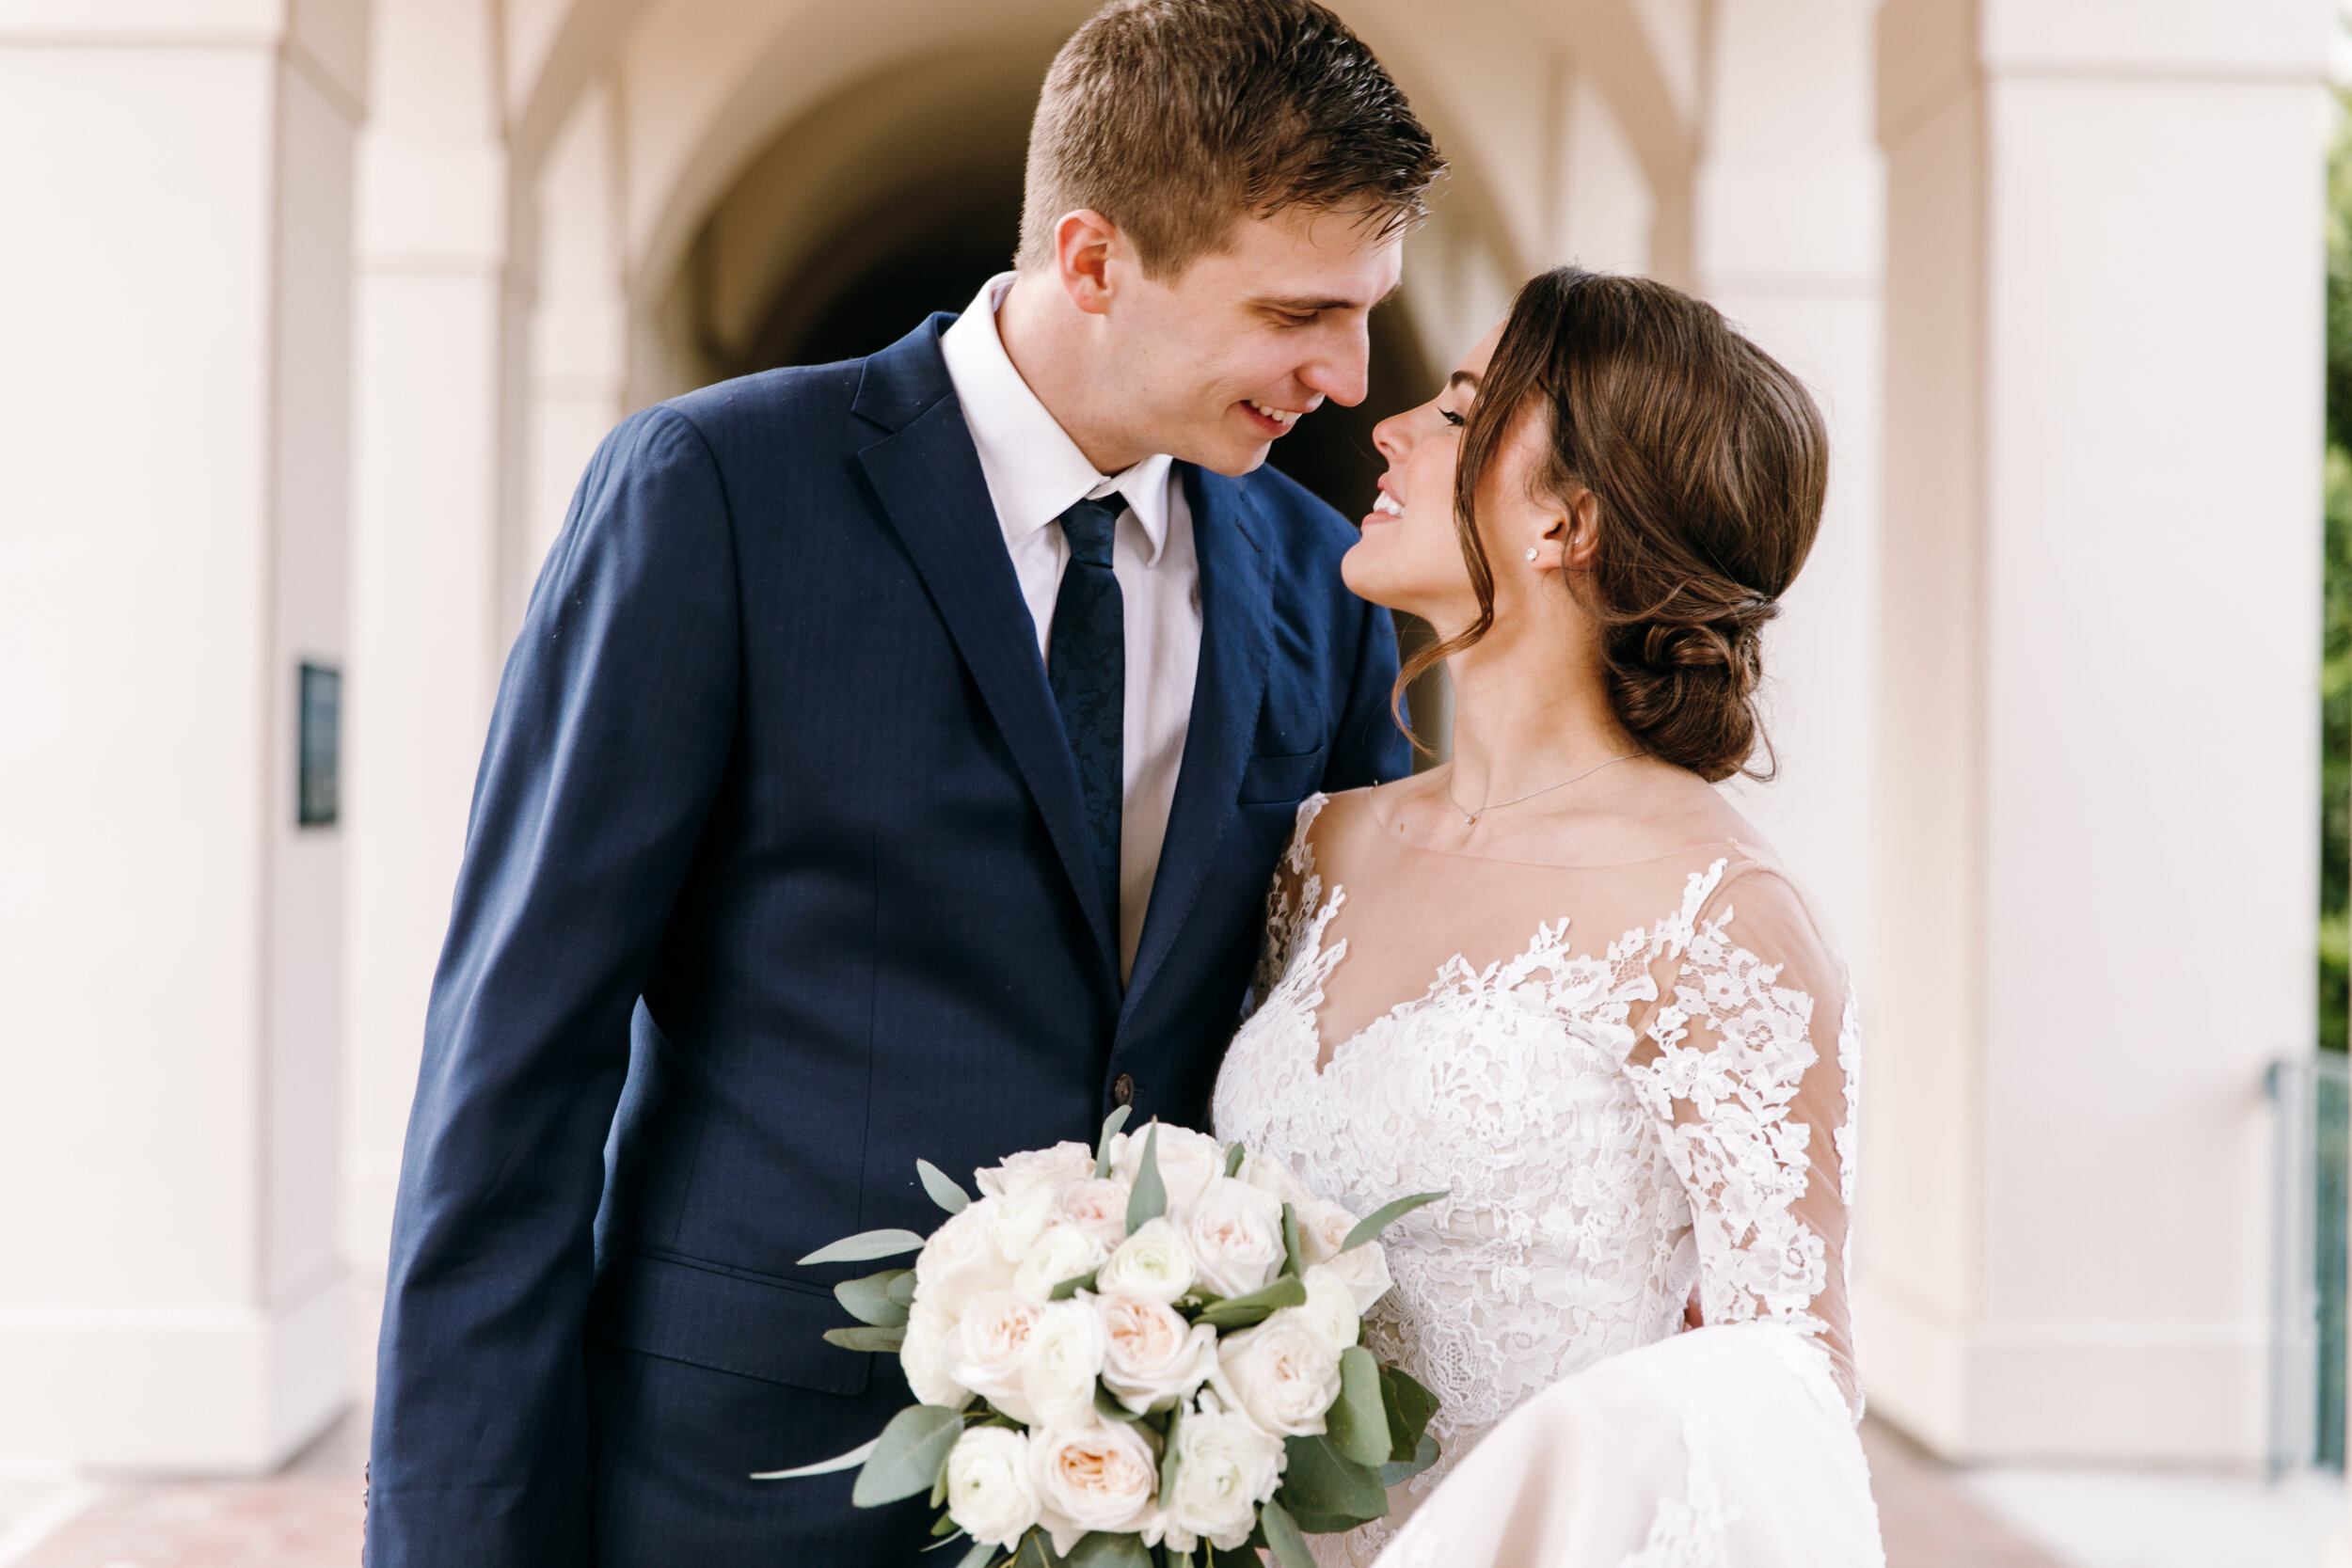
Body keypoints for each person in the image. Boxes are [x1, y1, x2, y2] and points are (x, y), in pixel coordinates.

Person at [362, 4, 1442, 1563]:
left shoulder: (1313, 587)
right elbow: (516, 1065)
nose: (1345, 377)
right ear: (1092, 260)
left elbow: (1344, 1038)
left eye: (1366, 312)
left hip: (1155, 1507)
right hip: (733, 1489)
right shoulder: (717, 494)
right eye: (1297, 314)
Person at [1212, 267, 1884, 1566]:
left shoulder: (1719, 917)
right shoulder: (1320, 848)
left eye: (1462, 413)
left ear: (1569, 522)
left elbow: (1789, 1390)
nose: (1392, 427)